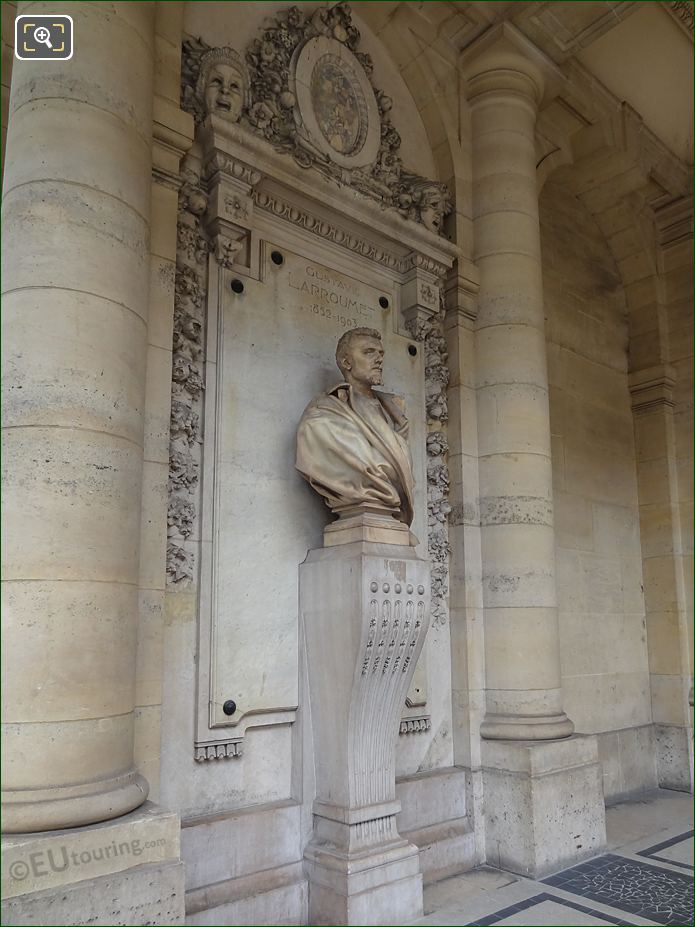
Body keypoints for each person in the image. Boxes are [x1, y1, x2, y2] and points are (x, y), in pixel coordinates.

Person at [296, 328, 414, 525]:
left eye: (381, 353)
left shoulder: (395, 412)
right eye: (369, 352)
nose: (379, 359)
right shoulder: (321, 415)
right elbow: (371, 465)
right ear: (346, 362)